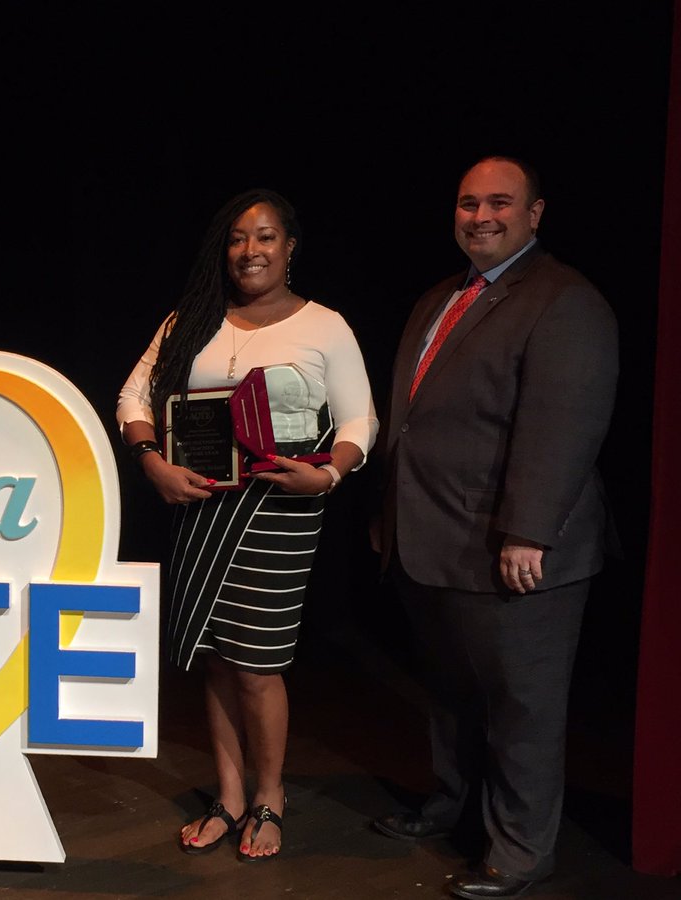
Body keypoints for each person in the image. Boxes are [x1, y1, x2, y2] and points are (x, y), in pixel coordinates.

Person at [370, 157, 618, 899]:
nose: (481, 215)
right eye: (468, 202)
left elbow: (563, 428)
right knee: (450, 698)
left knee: (523, 711)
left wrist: (529, 533)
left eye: (500, 203)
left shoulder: (565, 300)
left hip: (515, 552)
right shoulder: (441, 297)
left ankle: (519, 850)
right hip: (433, 542)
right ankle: (453, 811)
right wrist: (390, 517)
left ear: (535, 214)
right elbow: (413, 426)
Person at [117, 189, 378, 861]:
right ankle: (229, 797)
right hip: (200, 504)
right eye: (238, 238)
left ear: (291, 247)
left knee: (257, 666)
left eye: (265, 237)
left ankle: (269, 797)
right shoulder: (192, 319)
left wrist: (328, 475)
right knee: (214, 660)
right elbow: (133, 396)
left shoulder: (325, 326)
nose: (250, 250)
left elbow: (359, 421)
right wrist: (152, 462)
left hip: (280, 510)